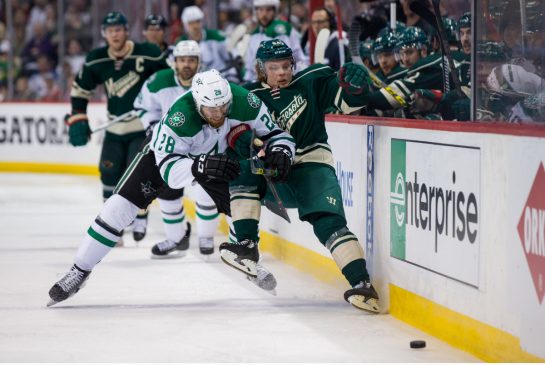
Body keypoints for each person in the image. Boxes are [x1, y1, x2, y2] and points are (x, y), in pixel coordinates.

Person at [47, 69, 293, 306]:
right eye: (211, 108)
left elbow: (275, 134)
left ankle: (245, 258)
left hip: (217, 159)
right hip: (166, 159)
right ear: (197, 103)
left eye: (223, 107)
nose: (218, 113)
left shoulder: (244, 101)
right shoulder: (179, 117)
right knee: (117, 208)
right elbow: (170, 175)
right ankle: (79, 270)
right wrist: (198, 166)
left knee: (241, 206)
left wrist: (282, 149)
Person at [218, 39, 380, 313]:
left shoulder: (313, 79)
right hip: (270, 172)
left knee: (330, 223)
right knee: (240, 167)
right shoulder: (246, 96)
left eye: (286, 66)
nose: (282, 72)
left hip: (311, 163)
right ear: (260, 68)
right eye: (274, 67)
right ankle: (246, 245)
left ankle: (362, 284)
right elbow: (231, 133)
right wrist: (248, 143)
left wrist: (357, 88)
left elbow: (348, 102)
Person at [64, 11, 169, 245]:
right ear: (104, 34)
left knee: (136, 175)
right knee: (109, 173)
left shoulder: (148, 53)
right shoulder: (97, 58)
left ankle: (140, 216)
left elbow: (167, 80)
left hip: (141, 127)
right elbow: (80, 89)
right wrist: (78, 116)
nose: (115, 34)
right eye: (110, 31)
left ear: (126, 31)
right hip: (114, 128)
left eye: (119, 29)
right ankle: (111, 226)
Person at [133, 40, 226, 257]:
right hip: (172, 148)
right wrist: (152, 125)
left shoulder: (210, 82)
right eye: (182, 60)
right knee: (167, 193)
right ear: (174, 62)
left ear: (199, 62)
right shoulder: (158, 81)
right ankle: (176, 238)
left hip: (205, 144)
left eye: (191, 60)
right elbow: (143, 106)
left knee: (205, 192)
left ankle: (206, 237)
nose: (186, 64)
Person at [243, 0, 306, 83]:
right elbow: (250, 66)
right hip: (259, 84)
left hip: (284, 82)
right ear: (256, 12)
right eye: (260, 10)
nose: (264, 14)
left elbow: (299, 59)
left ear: (275, 11)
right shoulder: (254, 34)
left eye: (268, 10)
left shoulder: (285, 29)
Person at [179, 6, 240, 83]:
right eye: (191, 23)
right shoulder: (181, 43)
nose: (195, 26)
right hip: (197, 84)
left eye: (197, 21)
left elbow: (233, 55)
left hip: (222, 79)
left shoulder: (216, 36)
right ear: (185, 25)